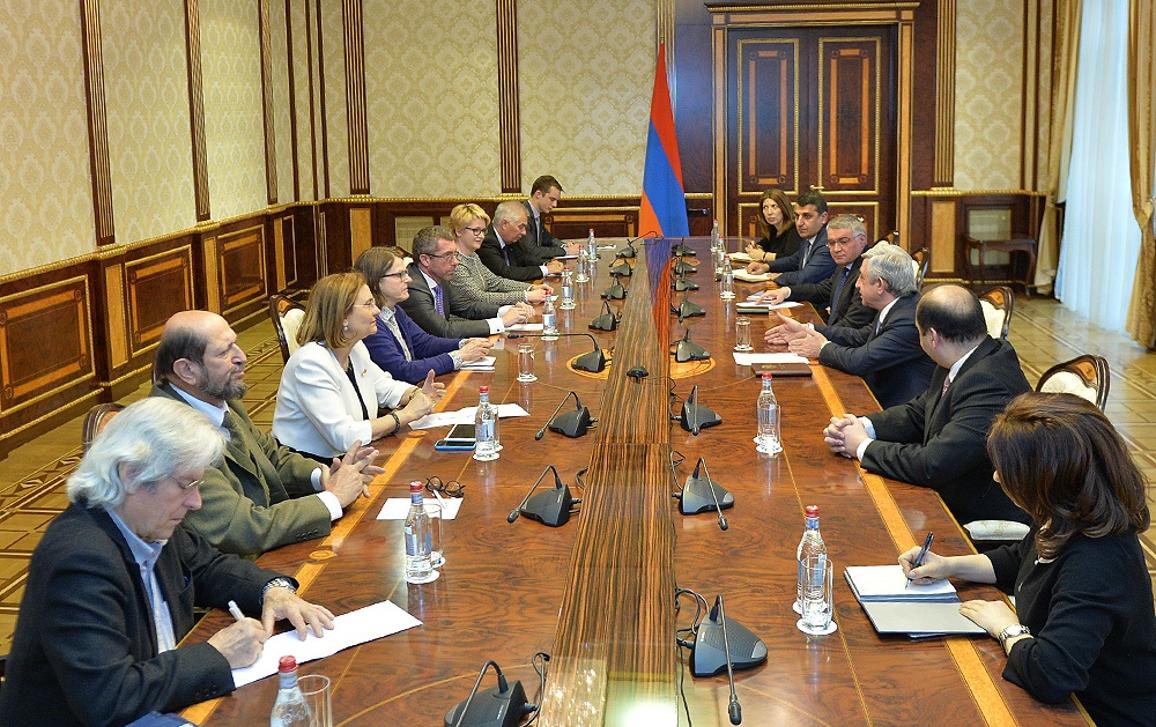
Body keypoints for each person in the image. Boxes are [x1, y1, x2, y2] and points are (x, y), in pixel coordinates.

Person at [0, 398, 335, 726]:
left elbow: (208, 567)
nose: (196, 501)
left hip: (164, 703)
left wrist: (272, 590)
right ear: (131, 475)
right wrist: (216, 654)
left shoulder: (145, 518)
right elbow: (110, 698)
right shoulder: (80, 560)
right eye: (186, 484)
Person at [900, 393, 1155, 725]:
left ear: (1045, 479)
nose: (996, 477)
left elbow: (1053, 673)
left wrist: (1005, 627)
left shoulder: (1097, 561)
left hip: (1096, 713)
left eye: (1006, 470)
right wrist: (948, 565)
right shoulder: (1064, 512)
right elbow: (1020, 559)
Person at [151, 310, 381, 557]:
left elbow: (271, 455)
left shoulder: (216, 398)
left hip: (267, 544)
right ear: (187, 370)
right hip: (228, 571)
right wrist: (333, 499)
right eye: (224, 352)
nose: (242, 357)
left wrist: (323, 475)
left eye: (236, 344)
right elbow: (240, 527)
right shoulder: (171, 435)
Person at [822, 283, 1030, 525]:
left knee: (855, 517)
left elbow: (933, 463)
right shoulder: (965, 356)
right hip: (944, 492)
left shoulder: (988, 383)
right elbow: (920, 412)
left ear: (932, 337)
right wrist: (861, 425)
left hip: (968, 514)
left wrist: (861, 446)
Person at [273, 272, 441, 462]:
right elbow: (344, 436)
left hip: (354, 457)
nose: (377, 311)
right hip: (311, 470)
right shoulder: (310, 364)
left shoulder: (356, 348)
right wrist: (406, 415)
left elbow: (384, 387)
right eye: (368, 304)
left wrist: (414, 394)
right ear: (343, 316)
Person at [770, 243, 934, 408]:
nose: (856, 284)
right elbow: (859, 336)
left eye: (861, 277)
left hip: (893, 409)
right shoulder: (897, 306)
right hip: (873, 394)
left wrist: (821, 348)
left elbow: (860, 360)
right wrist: (807, 329)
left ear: (880, 285)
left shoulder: (909, 319)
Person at [354, 246, 493, 383]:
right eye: (399, 275)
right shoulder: (370, 322)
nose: (408, 279)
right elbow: (403, 371)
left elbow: (424, 343)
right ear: (376, 281)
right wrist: (458, 356)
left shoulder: (395, 310)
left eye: (406, 273)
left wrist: (463, 343)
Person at [401, 225, 533, 339]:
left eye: (455, 255)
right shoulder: (413, 288)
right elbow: (444, 330)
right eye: (448, 256)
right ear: (425, 260)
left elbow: (468, 307)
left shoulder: (439, 277)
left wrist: (508, 310)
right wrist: (501, 322)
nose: (456, 262)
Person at [757, 213, 873, 328]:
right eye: (831, 243)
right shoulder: (846, 262)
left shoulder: (868, 271)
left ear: (862, 240)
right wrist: (786, 292)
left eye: (843, 241)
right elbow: (822, 290)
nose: (836, 249)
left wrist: (808, 330)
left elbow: (852, 325)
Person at [449, 203, 552, 310]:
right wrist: (526, 296)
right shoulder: (454, 261)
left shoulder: (473, 256)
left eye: (483, 230)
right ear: (459, 231)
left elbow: (496, 282)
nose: (481, 236)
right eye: (476, 230)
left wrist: (531, 287)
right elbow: (479, 297)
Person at [745, 189, 834, 285]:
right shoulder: (809, 238)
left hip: (816, 298)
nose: (799, 223)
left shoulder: (828, 244)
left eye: (807, 216)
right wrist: (766, 267)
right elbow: (793, 260)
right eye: (796, 216)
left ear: (824, 218)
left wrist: (780, 277)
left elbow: (804, 277)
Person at [479, 200, 565, 282]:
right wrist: (546, 270)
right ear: (505, 224)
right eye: (521, 227)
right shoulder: (486, 241)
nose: (524, 232)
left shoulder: (509, 239)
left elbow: (523, 258)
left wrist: (547, 263)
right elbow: (505, 273)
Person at [521, 175, 580, 261]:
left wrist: (564, 245)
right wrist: (565, 251)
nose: (555, 205)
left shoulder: (537, 213)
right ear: (538, 194)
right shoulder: (522, 215)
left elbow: (548, 239)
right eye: (552, 199)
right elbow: (532, 250)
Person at [743, 188, 800, 262]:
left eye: (774, 206)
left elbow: (790, 258)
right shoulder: (773, 228)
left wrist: (762, 255)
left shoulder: (794, 229)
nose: (769, 212)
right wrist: (756, 247)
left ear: (784, 208)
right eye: (765, 207)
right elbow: (763, 244)